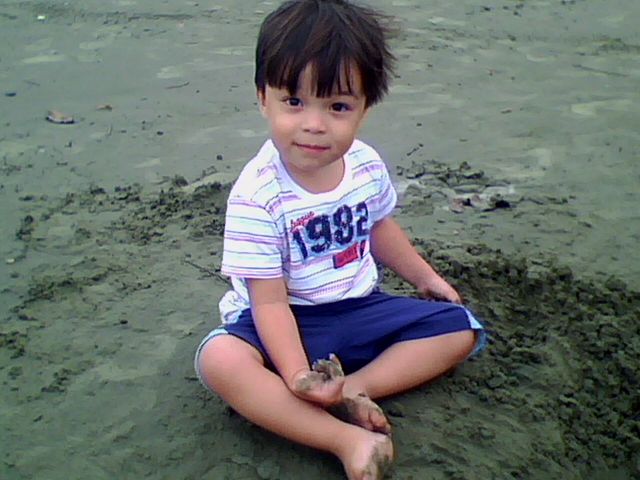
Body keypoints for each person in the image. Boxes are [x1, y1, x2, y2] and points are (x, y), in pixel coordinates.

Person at [195, 1, 485, 478]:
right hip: (283, 320)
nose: (314, 123)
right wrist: (297, 375)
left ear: (364, 109)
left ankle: (353, 388)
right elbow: (268, 302)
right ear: (263, 98)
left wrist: (426, 278)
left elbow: (379, 227)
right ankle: (346, 439)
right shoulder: (256, 195)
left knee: (460, 327)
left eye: (338, 106)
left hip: (358, 307)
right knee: (220, 360)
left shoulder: (365, 165)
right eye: (294, 101)